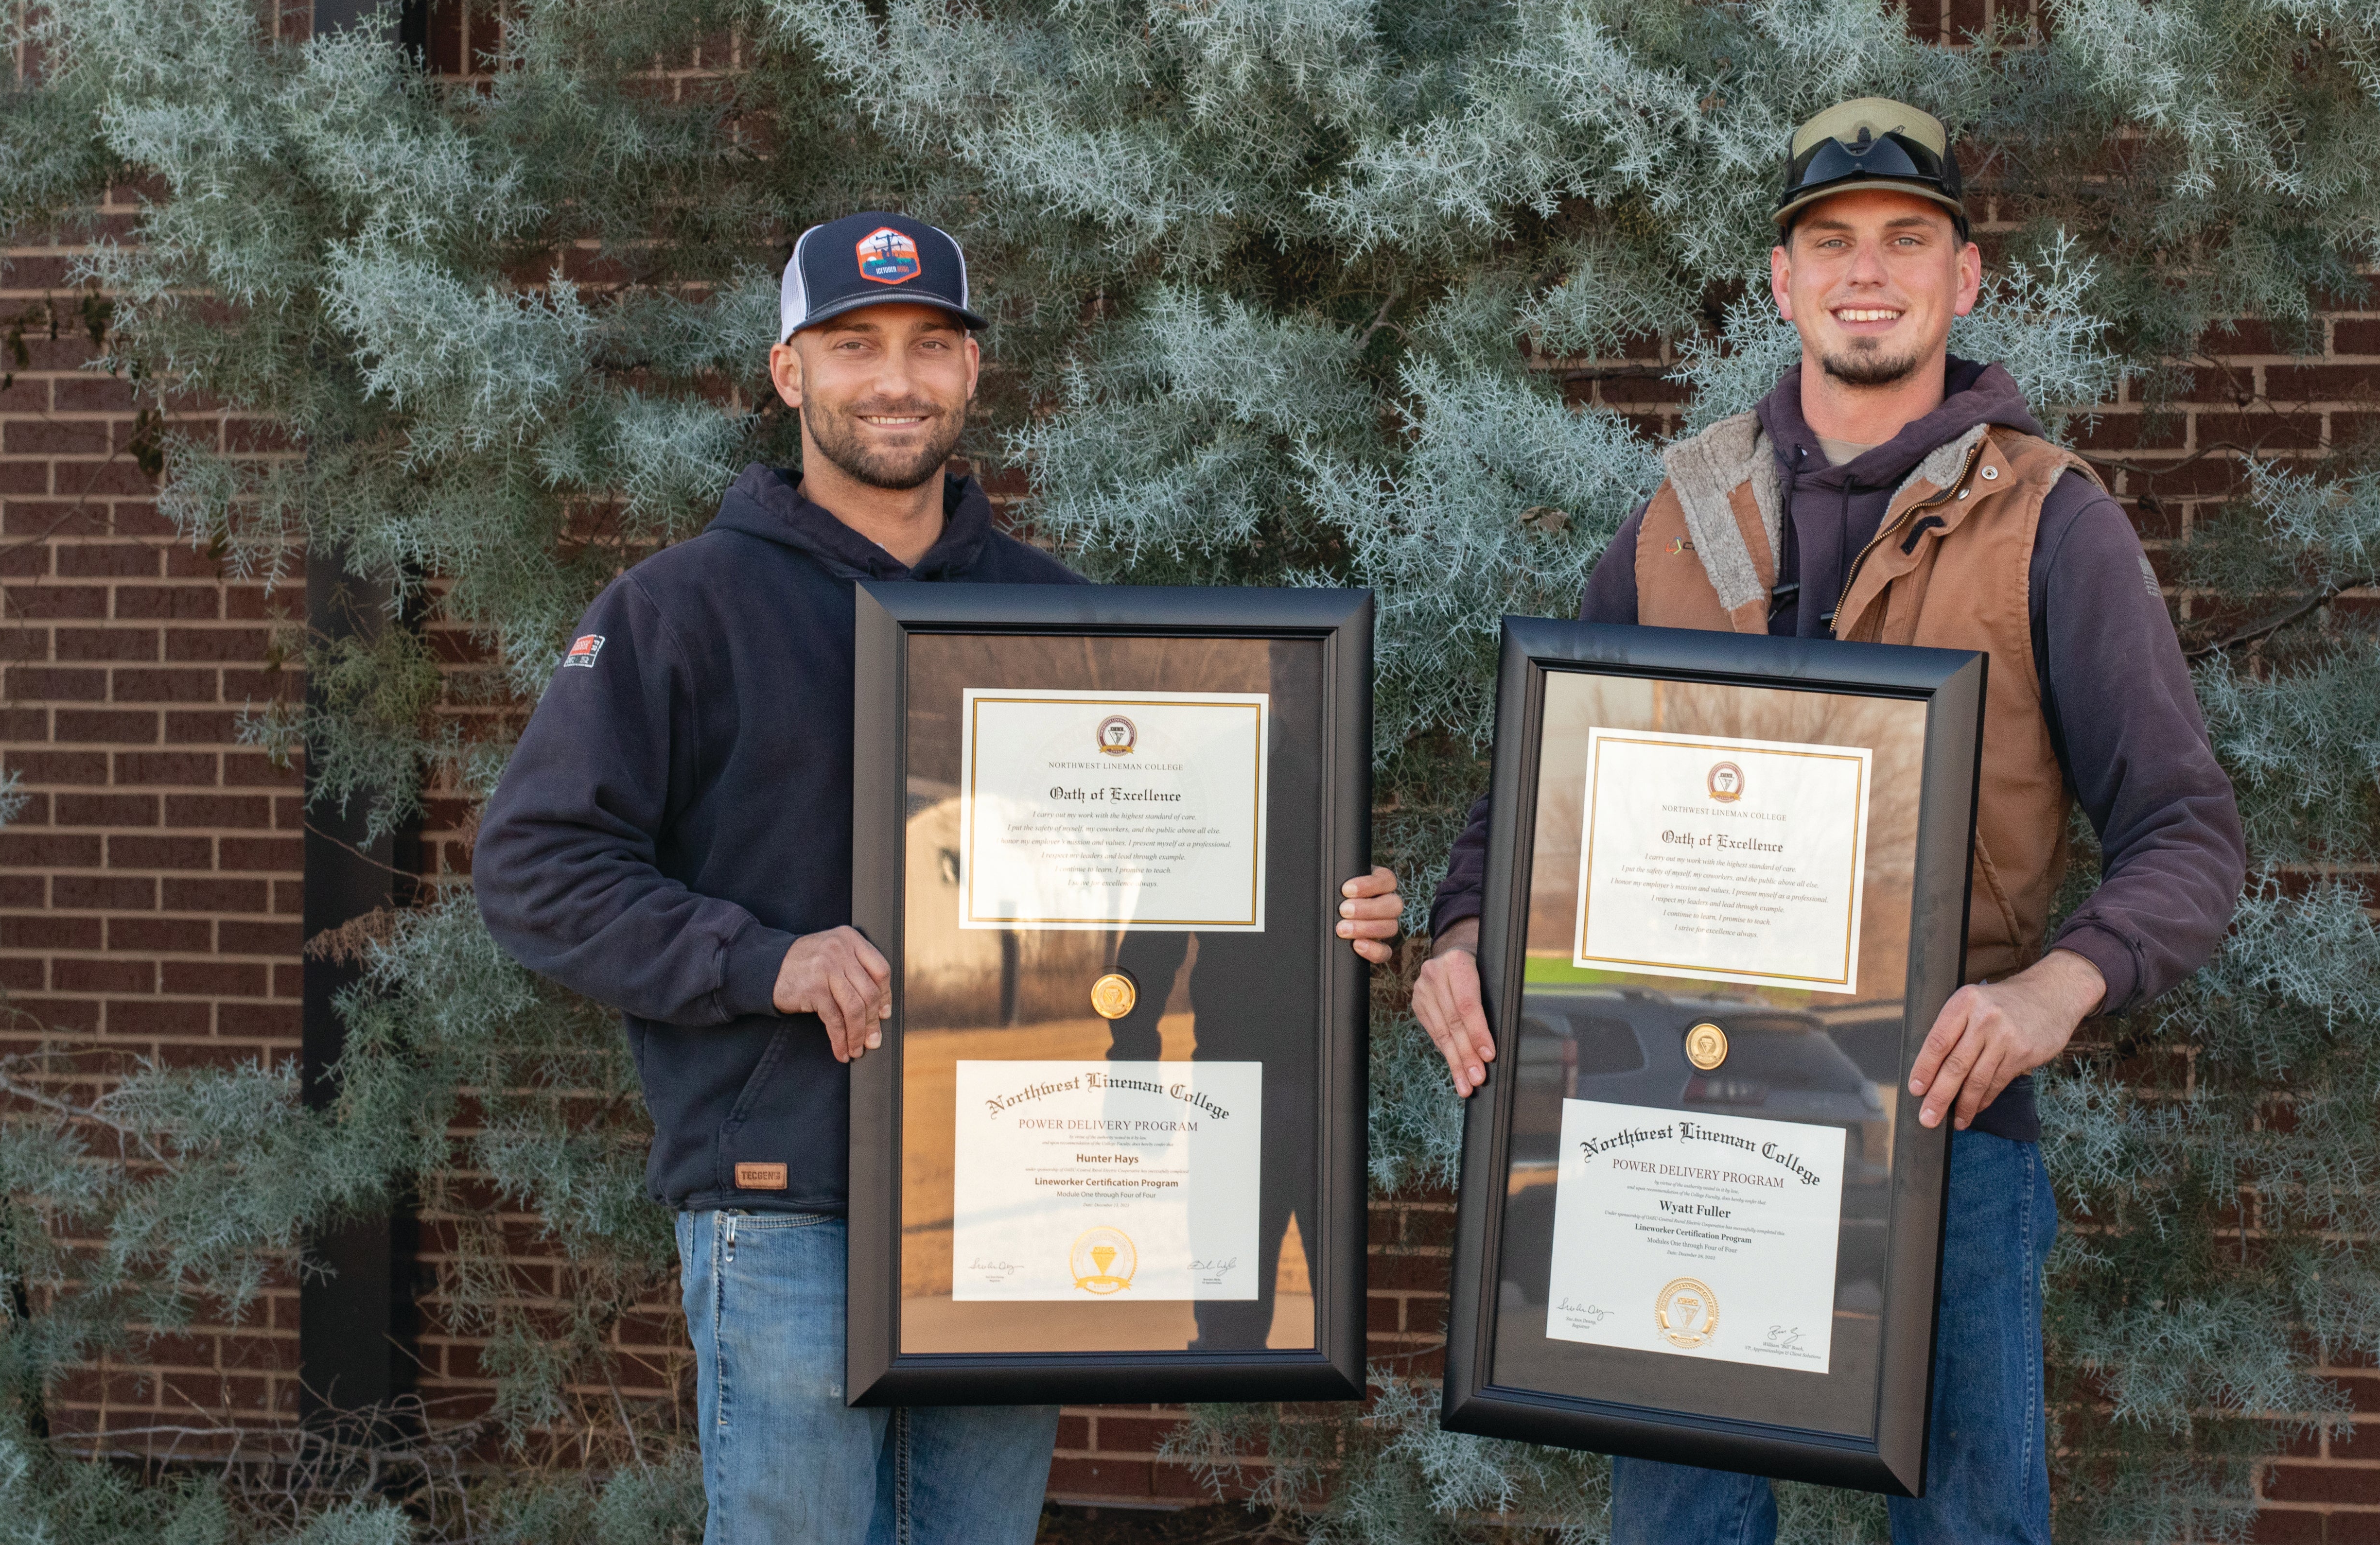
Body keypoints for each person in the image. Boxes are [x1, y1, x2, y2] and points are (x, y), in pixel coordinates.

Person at [1335, 101, 2246, 1545]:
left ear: (1966, 277)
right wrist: (1458, 933)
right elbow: (1528, 798)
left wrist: (2048, 992)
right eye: (1831, 242)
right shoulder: (1675, 517)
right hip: (1667, 1119)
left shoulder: (2053, 522)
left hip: (1946, 1131)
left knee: (1970, 1533)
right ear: (1782, 280)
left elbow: (2191, 832)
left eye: (1907, 238)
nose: (1866, 270)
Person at [474, 210, 1409, 1545]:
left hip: (1018, 1191)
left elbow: (1160, 877)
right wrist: (764, 958)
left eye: (928, 344)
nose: (894, 378)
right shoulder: (675, 611)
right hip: (785, 1196)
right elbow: (534, 867)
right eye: (852, 345)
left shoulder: (1064, 615)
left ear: (973, 372)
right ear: (790, 373)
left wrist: (1320, 906)